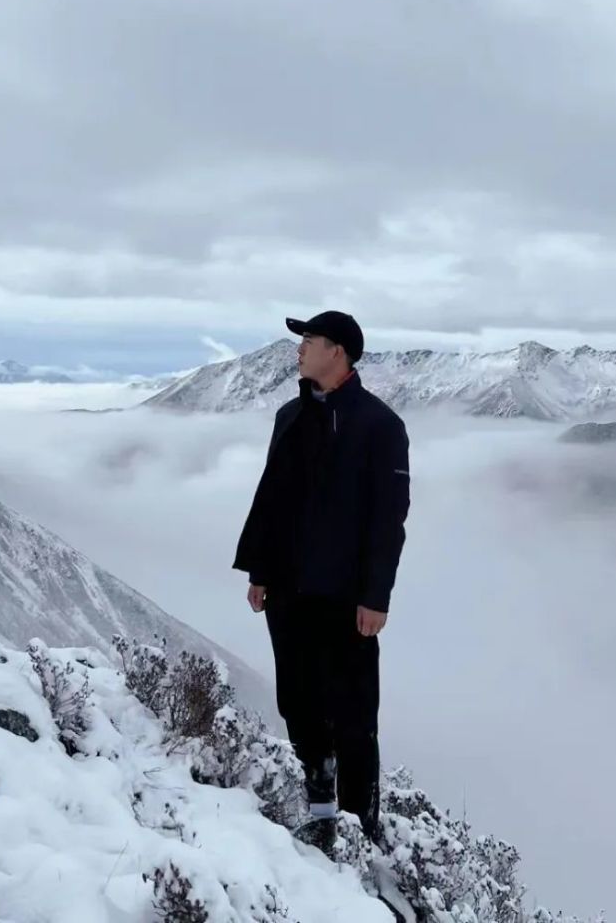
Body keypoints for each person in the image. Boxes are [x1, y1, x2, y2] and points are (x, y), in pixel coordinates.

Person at [233, 310, 411, 852]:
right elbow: (271, 500)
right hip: (289, 590)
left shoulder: (380, 425)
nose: (299, 348)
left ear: (338, 351)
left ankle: (362, 827)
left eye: (308, 339)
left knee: (355, 712)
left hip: (345, 598)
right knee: (299, 702)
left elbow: (389, 519)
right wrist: (261, 570)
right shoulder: (290, 416)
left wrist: (376, 595)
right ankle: (321, 809)